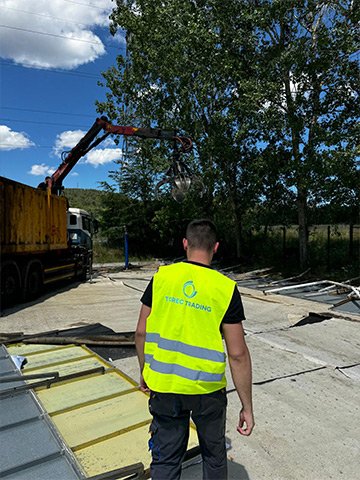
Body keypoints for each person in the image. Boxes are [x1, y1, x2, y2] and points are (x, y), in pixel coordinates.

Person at [135, 219, 254, 480]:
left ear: (185, 243)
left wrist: (145, 370)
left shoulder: (162, 278)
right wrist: (247, 406)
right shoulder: (225, 288)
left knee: (165, 459)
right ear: (216, 247)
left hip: (164, 387)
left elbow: (141, 331)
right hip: (207, 391)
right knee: (213, 457)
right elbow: (237, 353)